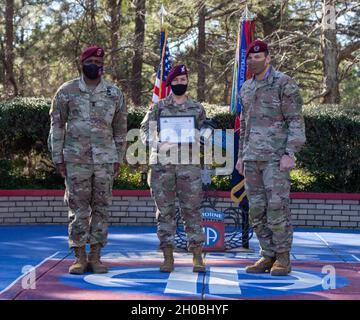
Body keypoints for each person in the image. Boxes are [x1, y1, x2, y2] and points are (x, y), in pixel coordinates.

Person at [49, 45, 127, 274]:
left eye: (100, 62)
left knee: (101, 208)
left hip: (104, 160)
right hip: (75, 160)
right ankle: (79, 256)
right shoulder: (66, 91)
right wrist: (58, 157)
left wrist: (118, 158)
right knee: (78, 208)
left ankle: (96, 256)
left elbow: (120, 128)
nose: (96, 65)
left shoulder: (114, 93)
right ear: (82, 63)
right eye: (91, 60)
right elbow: (57, 125)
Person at [235, 39, 306, 276]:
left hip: (276, 159)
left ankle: (283, 258)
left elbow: (295, 120)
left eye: (259, 57)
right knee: (256, 210)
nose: (254, 61)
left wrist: (290, 152)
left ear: (268, 58)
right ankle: (267, 255)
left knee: (277, 208)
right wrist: (241, 156)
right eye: (250, 57)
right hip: (252, 158)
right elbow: (244, 125)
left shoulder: (284, 83)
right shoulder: (245, 88)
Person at [140, 64, 206, 273]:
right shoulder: (158, 107)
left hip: (189, 167)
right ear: (170, 83)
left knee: (192, 211)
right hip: (162, 167)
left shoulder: (197, 108)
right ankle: (168, 256)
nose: (180, 83)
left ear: (187, 81)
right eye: (176, 80)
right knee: (165, 212)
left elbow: (206, 130)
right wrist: (156, 143)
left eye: (183, 80)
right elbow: (144, 131)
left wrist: (202, 137)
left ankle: (197, 256)